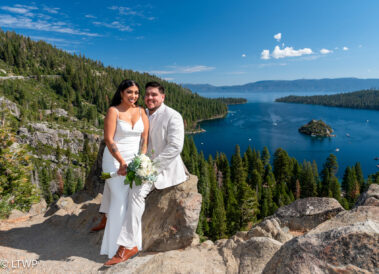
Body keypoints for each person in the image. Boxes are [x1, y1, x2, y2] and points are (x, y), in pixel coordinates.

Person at [104, 81, 188, 266]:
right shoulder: (144, 113)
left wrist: (149, 167)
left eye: (154, 95)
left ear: (162, 97)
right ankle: (107, 218)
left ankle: (128, 245)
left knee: (135, 193)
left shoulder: (173, 116)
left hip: (161, 168)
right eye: (147, 95)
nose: (149, 98)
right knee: (118, 184)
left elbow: (175, 147)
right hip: (140, 163)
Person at [99, 79, 149, 259]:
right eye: (129, 92)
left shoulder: (142, 111)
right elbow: (109, 139)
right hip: (115, 161)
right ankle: (115, 248)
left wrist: (141, 159)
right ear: (121, 93)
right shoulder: (113, 111)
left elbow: (144, 139)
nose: (133, 96)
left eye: (136, 93)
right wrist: (121, 162)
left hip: (134, 161)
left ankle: (132, 244)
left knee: (131, 201)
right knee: (120, 201)